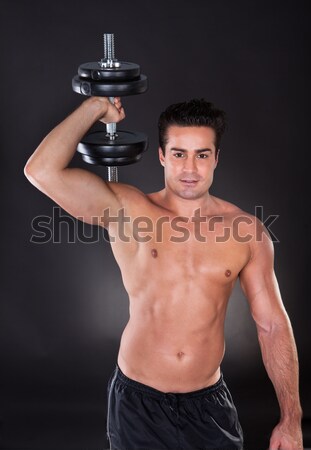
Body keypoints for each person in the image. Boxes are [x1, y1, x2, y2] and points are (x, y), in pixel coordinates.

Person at [24, 96, 303, 450]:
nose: (190, 168)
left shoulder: (247, 232)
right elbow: (41, 171)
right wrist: (95, 107)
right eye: (178, 153)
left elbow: (273, 326)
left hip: (209, 407)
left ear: (216, 158)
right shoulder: (127, 209)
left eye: (202, 154)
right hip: (138, 404)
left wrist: (291, 419)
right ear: (161, 155)